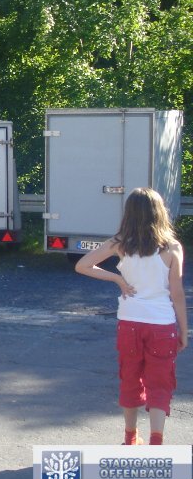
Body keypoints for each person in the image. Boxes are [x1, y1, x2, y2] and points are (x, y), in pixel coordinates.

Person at [75, 188, 188, 445]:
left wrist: (117, 278)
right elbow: (177, 293)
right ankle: (156, 441)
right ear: (160, 212)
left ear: (129, 213)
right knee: (160, 383)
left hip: (129, 322)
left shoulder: (120, 243)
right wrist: (184, 330)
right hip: (162, 325)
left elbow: (82, 265)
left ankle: (130, 437)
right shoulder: (172, 247)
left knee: (130, 378)